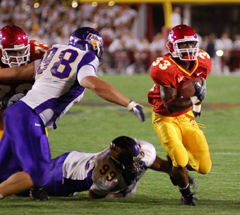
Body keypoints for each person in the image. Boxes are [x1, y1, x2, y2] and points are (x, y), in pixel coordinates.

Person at [0, 27, 145, 201]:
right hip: (30, 117)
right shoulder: (86, 57)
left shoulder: (55, 50)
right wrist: (129, 103)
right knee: (39, 174)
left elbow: (18, 72)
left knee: (4, 172)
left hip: (15, 113)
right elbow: (92, 83)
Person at [148, 24, 212, 206]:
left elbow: (199, 83)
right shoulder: (163, 66)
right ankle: (186, 195)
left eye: (191, 44)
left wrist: (197, 104)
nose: (188, 49)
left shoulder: (203, 60)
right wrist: (194, 100)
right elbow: (170, 106)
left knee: (205, 166)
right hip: (165, 117)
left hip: (186, 117)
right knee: (181, 158)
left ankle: (174, 168)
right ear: (172, 46)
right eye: (183, 45)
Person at [15, 136, 197, 199]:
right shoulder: (106, 174)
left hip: (76, 157)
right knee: (23, 186)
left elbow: (160, 164)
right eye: (129, 163)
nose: (136, 165)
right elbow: (94, 194)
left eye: (136, 160)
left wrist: (177, 172)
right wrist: (118, 193)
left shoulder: (144, 151)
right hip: (64, 177)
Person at [0, 24, 50, 140]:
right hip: (1, 114)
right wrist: (5, 103)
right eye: (12, 53)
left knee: (36, 147)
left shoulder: (40, 53)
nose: (18, 57)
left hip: (29, 115)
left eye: (21, 51)